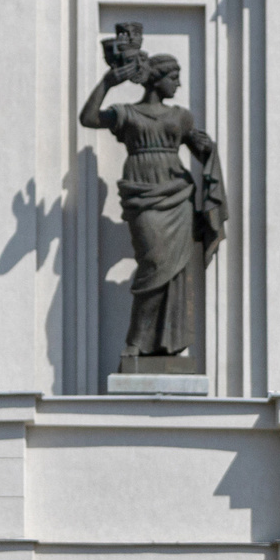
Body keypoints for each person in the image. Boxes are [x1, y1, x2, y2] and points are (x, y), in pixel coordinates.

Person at [79, 49, 228, 370]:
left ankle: (162, 344)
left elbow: (202, 152)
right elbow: (88, 118)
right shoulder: (128, 114)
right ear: (156, 79)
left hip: (178, 195)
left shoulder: (181, 116)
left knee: (175, 271)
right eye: (173, 78)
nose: (178, 85)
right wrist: (107, 83)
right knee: (154, 263)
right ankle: (135, 341)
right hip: (143, 193)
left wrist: (208, 150)